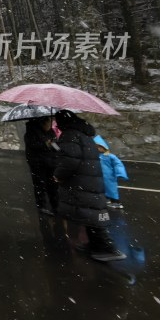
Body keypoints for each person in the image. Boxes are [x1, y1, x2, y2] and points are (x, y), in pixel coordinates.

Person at [53, 110, 126, 262]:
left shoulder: (69, 136)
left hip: (80, 181)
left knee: (89, 213)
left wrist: (58, 174)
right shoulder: (84, 135)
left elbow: (70, 161)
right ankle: (96, 245)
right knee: (89, 212)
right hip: (90, 179)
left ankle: (105, 248)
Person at [24, 116, 59, 215]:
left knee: (53, 185)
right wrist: (46, 144)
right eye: (49, 122)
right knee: (40, 185)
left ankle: (55, 206)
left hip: (51, 163)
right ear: (42, 122)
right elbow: (32, 146)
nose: (51, 125)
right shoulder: (31, 132)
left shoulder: (50, 132)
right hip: (38, 164)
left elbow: (55, 145)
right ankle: (42, 206)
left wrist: (55, 146)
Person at [95, 134, 128, 209]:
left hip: (109, 177)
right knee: (103, 189)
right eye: (97, 147)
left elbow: (118, 164)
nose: (98, 148)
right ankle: (109, 200)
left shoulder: (110, 156)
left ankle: (116, 202)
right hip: (101, 176)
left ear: (104, 147)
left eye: (99, 147)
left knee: (111, 189)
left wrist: (120, 173)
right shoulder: (98, 156)